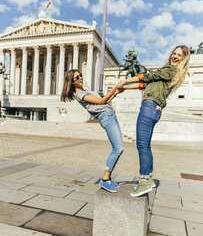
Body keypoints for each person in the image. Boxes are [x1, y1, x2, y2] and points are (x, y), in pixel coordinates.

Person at [123, 45, 190, 197]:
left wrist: (125, 81)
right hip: (154, 109)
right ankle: (149, 178)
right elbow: (146, 83)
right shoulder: (170, 73)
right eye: (174, 53)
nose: (174, 56)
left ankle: (144, 180)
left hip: (149, 107)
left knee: (142, 145)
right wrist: (125, 87)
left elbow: (148, 77)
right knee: (145, 145)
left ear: (183, 59)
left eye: (179, 55)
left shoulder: (170, 70)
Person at [61, 69, 136, 193]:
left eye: (80, 75)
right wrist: (115, 87)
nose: (80, 77)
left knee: (118, 148)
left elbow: (104, 102)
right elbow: (102, 101)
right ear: (72, 82)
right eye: (77, 77)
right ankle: (105, 179)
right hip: (106, 117)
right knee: (118, 148)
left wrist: (116, 92)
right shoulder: (80, 95)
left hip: (110, 114)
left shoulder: (85, 91)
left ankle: (109, 178)